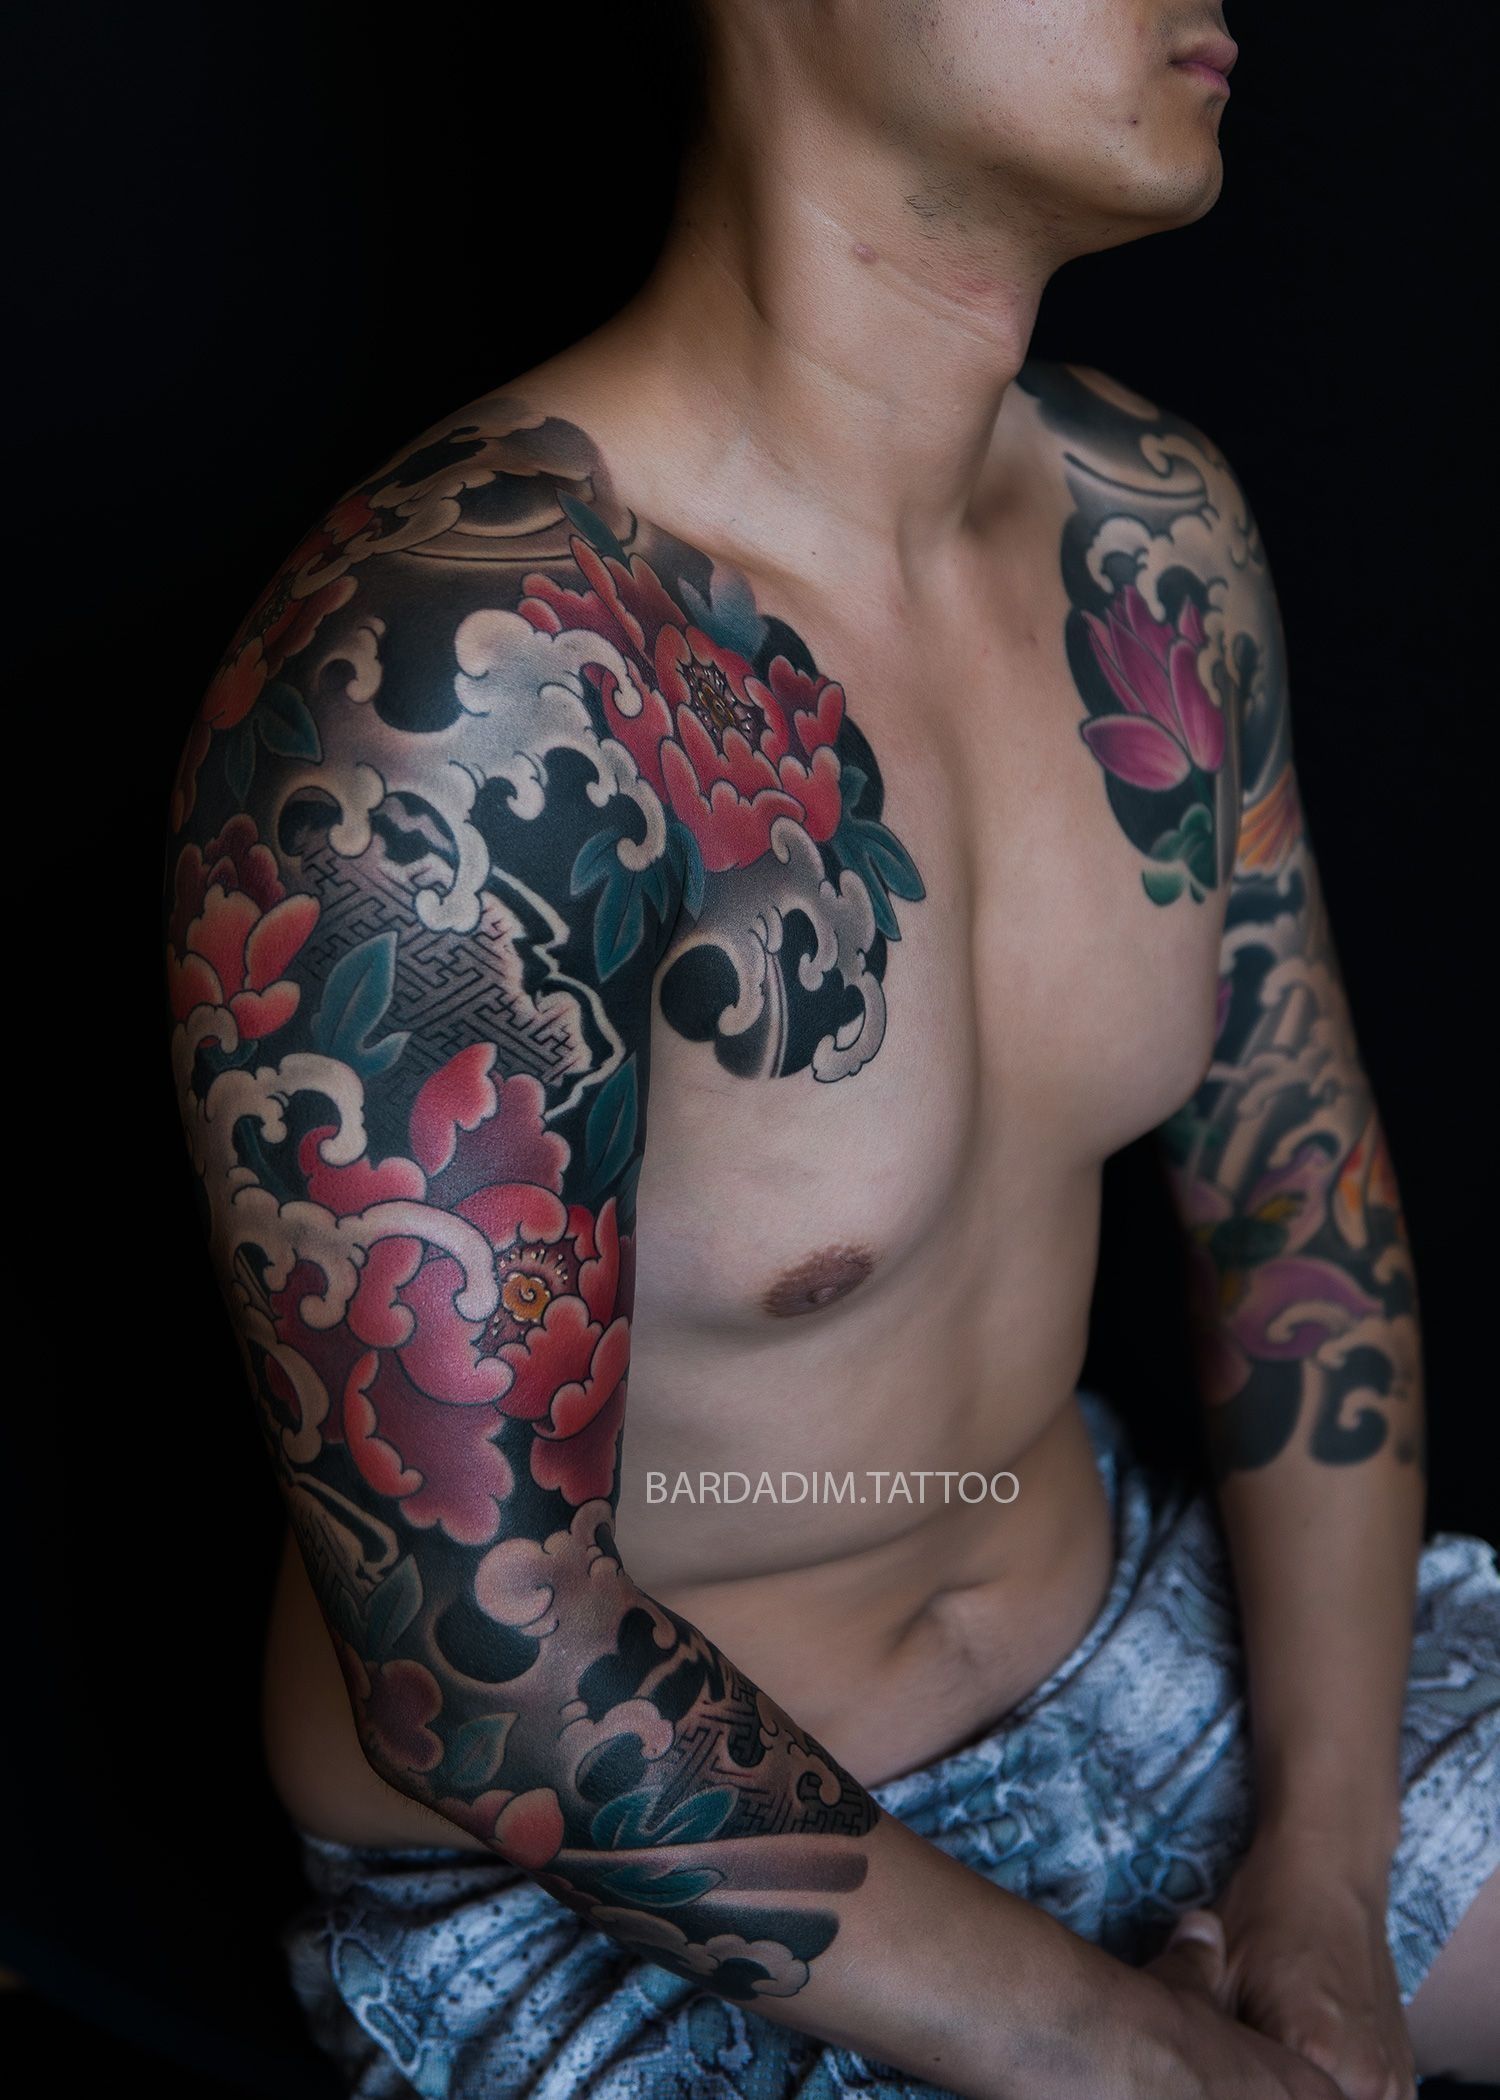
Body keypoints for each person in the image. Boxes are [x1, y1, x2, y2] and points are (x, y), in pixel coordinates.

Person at [163, 3, 1498, 2094]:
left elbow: (1296, 1213)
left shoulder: (1150, 532)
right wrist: (1158, 2066)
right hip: (609, 1902)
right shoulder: (458, 682)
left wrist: (1324, 1879)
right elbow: (473, 1658)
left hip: (1148, 1659)